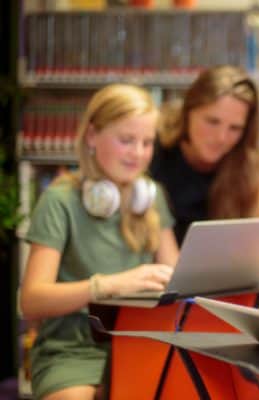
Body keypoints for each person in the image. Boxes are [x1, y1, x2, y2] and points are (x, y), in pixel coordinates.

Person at [20, 84, 179, 400]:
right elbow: (31, 300)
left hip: (140, 342)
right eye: (126, 140)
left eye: (147, 143)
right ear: (92, 136)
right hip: (71, 350)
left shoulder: (151, 197)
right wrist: (109, 285)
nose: (138, 153)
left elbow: (179, 278)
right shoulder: (59, 200)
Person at [150, 65, 259, 295]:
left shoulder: (253, 150)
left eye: (235, 128)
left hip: (231, 283)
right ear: (188, 111)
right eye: (212, 121)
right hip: (161, 279)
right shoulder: (155, 143)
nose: (221, 137)